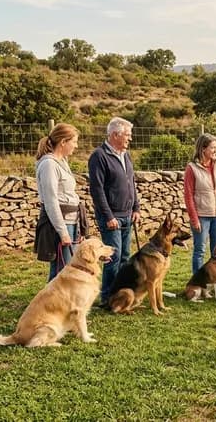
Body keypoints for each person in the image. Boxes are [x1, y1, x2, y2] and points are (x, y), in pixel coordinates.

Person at [88, 117, 141, 306]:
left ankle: (119, 294)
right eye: (127, 135)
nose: (130, 139)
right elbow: (97, 189)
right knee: (114, 257)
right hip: (112, 217)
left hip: (127, 214)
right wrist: (109, 216)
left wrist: (136, 207)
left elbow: (131, 183)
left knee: (125, 256)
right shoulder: (99, 156)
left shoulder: (125, 154)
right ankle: (107, 297)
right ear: (115, 135)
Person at [34, 123, 82, 281]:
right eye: (73, 142)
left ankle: (57, 304)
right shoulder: (49, 165)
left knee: (66, 269)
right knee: (62, 271)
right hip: (61, 222)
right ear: (63, 142)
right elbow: (51, 201)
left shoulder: (62, 162)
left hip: (70, 220)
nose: (76, 146)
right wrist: (63, 232)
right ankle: (52, 304)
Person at [184, 133, 216, 276]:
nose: (215, 151)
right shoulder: (192, 168)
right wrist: (194, 219)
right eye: (213, 147)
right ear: (203, 148)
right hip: (201, 215)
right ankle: (198, 282)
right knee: (200, 250)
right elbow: (188, 196)